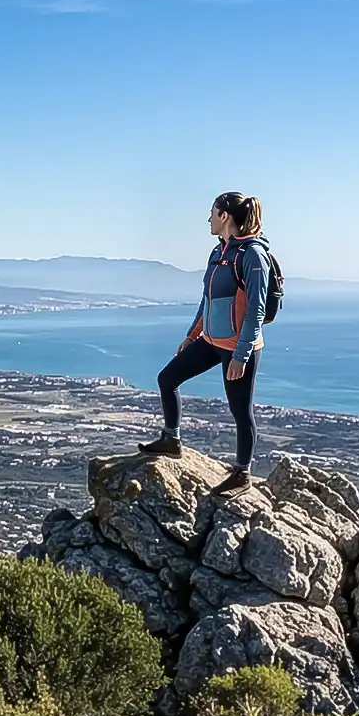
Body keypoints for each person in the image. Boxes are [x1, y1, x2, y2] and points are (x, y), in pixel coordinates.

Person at [138, 191, 271, 492]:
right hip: (211, 341)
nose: (208, 219)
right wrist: (191, 336)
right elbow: (208, 300)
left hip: (239, 347)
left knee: (240, 410)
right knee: (167, 378)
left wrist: (241, 354)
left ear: (224, 216)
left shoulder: (252, 256)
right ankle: (171, 439)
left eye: (211, 213)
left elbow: (256, 310)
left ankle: (242, 473)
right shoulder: (218, 252)